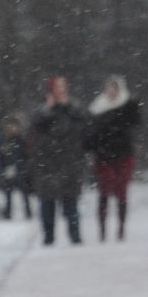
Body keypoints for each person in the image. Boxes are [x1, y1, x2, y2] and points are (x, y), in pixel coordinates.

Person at [26, 76, 91, 245]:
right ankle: (48, 237)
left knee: (71, 203)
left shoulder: (74, 109)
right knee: (47, 204)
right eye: (57, 86)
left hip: (70, 163)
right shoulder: (41, 111)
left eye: (63, 86)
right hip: (47, 165)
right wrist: (49, 109)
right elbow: (35, 130)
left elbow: (84, 127)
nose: (61, 90)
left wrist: (68, 108)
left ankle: (75, 235)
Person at [87, 75, 142, 241]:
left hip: (123, 154)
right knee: (104, 190)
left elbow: (136, 121)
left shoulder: (127, 106)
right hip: (104, 156)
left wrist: (132, 104)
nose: (111, 91)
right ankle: (102, 230)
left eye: (114, 88)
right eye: (108, 87)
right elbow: (91, 133)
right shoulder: (97, 107)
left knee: (122, 191)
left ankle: (121, 228)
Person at [0, 112, 32, 220]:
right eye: (10, 126)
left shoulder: (20, 140)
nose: (13, 128)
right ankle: (7, 214)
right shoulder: (1, 140)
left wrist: (22, 169)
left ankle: (28, 213)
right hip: (7, 171)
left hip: (19, 171)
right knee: (8, 195)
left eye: (15, 126)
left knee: (24, 194)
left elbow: (25, 156)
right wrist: (2, 171)